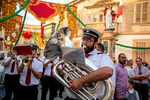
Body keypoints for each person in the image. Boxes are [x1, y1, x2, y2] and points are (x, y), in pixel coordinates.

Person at [65, 27, 114, 100]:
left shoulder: (102, 56)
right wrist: (63, 71)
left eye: (88, 40)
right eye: (83, 39)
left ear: (96, 43)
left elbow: (108, 71)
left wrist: (81, 80)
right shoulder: (75, 54)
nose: (84, 43)